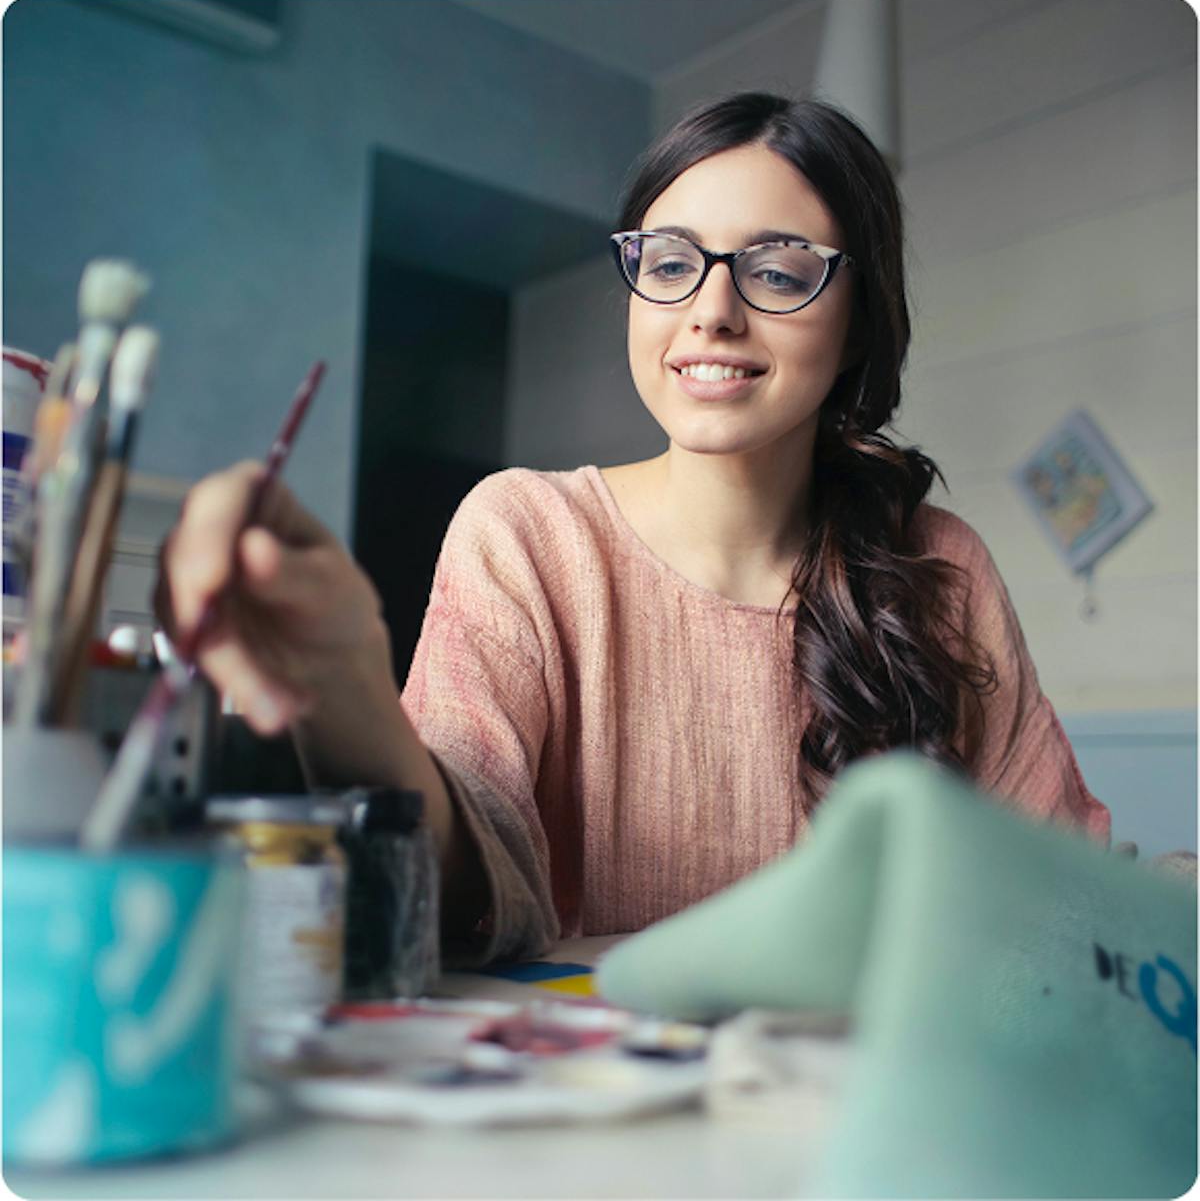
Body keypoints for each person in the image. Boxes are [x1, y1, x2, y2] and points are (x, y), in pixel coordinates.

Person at [157, 93, 1110, 965]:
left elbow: (1055, 892)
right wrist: (350, 687)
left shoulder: (936, 566)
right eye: (670, 265)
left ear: (859, 322)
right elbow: (465, 884)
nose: (712, 312)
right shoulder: (526, 533)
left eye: (778, 271)